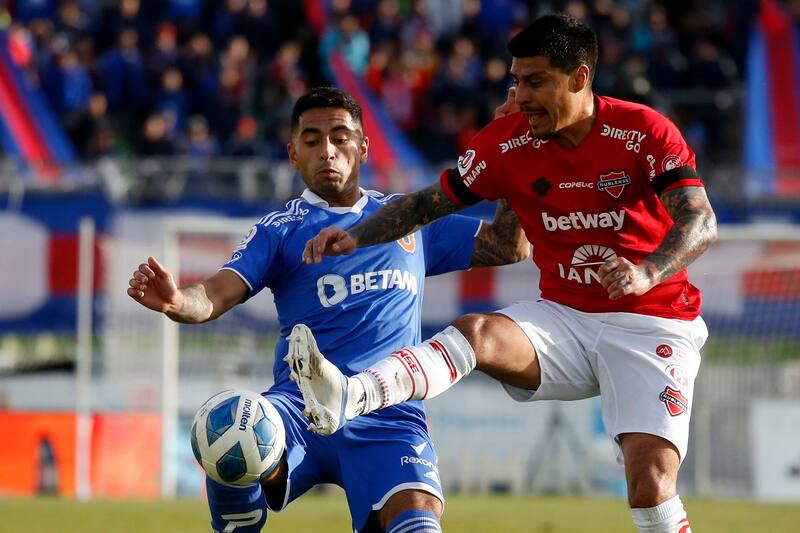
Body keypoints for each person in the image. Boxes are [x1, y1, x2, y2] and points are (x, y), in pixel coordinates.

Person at [294, 15, 718, 533]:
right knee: (478, 332)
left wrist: (647, 271)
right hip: (565, 317)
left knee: (650, 488)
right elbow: (432, 201)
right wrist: (358, 235)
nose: (522, 96)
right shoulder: (506, 141)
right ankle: (350, 396)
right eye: (516, 81)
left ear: (580, 79)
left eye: (537, 81)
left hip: (652, 321)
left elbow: (700, 218)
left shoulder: (644, 131)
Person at [127, 87, 528, 533]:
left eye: (340, 137)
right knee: (228, 422)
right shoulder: (280, 230)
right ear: (293, 154)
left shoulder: (404, 218)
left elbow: (509, 246)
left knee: (416, 524)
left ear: (363, 147)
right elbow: (217, 293)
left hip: (387, 412)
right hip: (299, 412)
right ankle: (239, 521)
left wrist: (512, 151)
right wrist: (180, 301)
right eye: (312, 140)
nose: (328, 151)